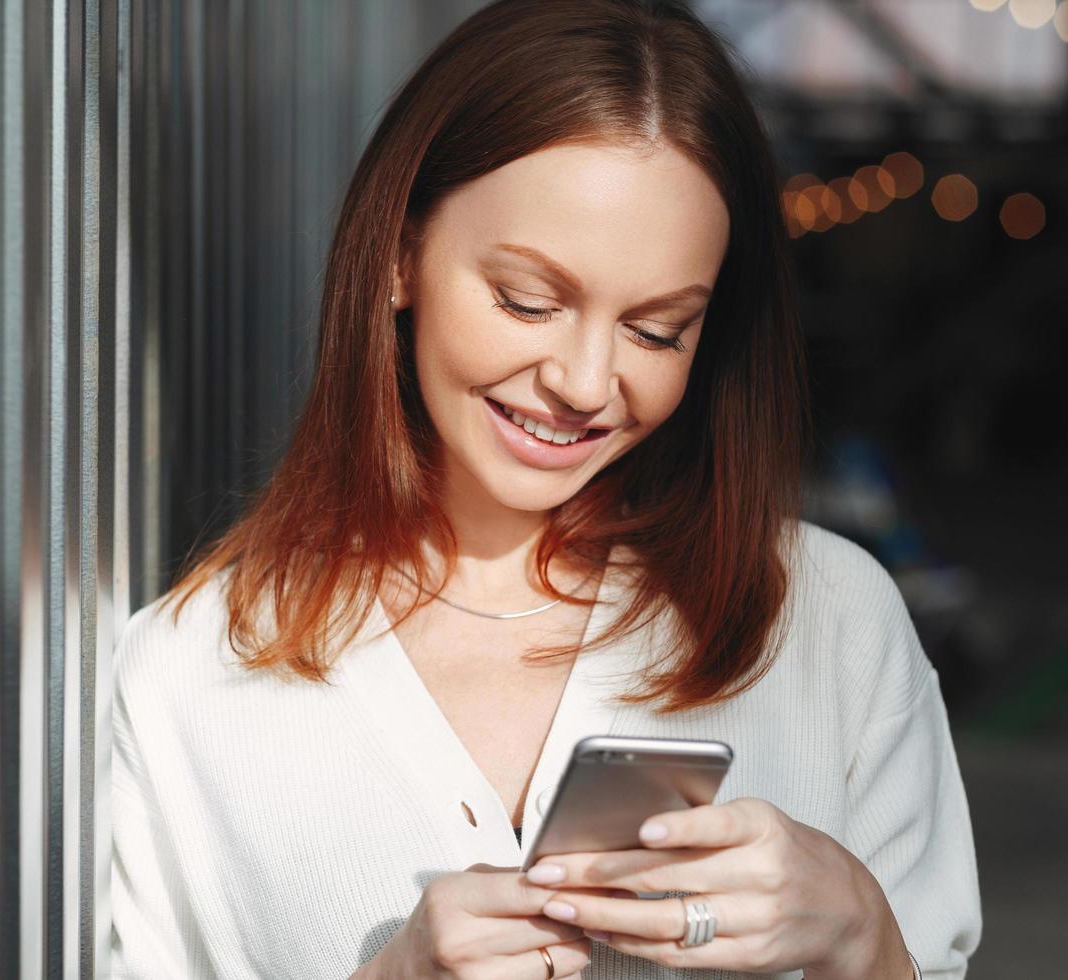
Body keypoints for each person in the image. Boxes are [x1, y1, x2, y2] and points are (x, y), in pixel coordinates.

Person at [105, 0, 982, 976]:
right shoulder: (195, 675)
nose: (583, 379)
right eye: (529, 299)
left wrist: (862, 931)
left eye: (657, 330)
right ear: (400, 255)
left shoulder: (827, 622)